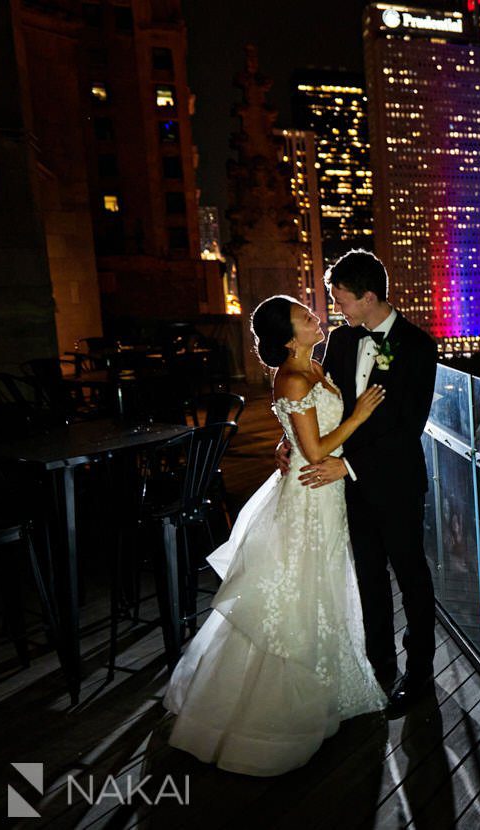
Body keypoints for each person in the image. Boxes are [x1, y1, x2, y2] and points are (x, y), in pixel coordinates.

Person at [163, 294, 388, 776]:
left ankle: (322, 695)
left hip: (324, 494)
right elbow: (315, 447)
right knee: (297, 595)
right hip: (309, 496)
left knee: (320, 589)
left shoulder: (316, 367)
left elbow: (299, 434)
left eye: (312, 313)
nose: (317, 318)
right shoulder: (291, 376)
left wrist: (287, 439)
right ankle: (265, 716)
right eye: (306, 318)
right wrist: (359, 415)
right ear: (289, 338)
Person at [278, 249, 439, 714]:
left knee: (411, 577)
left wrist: (348, 465)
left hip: (395, 483)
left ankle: (420, 671)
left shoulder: (418, 346)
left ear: (368, 297)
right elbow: (317, 401)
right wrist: (288, 438)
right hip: (350, 486)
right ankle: (379, 662)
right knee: (368, 576)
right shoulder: (344, 343)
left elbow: (408, 425)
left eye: (341, 299)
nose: (337, 309)